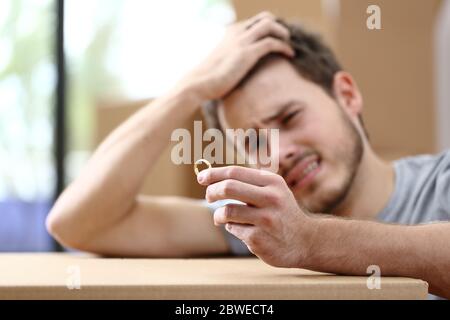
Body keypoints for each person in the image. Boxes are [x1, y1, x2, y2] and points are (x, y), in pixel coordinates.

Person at [46, 12, 450, 299]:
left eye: (290, 117)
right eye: (254, 143)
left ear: (347, 95)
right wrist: (189, 89)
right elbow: (77, 221)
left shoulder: (440, 182)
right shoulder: (258, 228)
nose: (280, 152)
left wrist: (307, 240)